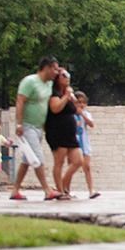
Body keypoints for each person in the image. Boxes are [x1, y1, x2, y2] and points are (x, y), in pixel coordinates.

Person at [10, 57, 62, 201]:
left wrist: (62, 73)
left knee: (27, 160)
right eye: (55, 69)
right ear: (46, 67)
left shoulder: (49, 84)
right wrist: (19, 124)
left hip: (39, 127)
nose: (56, 72)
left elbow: (61, 83)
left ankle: (15, 190)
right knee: (38, 158)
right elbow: (20, 101)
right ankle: (47, 190)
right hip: (27, 126)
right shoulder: (30, 81)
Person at [44, 69, 82, 200]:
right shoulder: (54, 93)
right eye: (64, 76)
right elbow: (55, 108)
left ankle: (64, 185)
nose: (67, 78)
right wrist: (66, 96)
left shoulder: (67, 92)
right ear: (57, 78)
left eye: (68, 75)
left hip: (70, 133)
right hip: (57, 131)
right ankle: (60, 191)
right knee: (59, 162)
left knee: (78, 161)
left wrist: (71, 97)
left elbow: (76, 109)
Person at [72, 91, 99, 199]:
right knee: (72, 167)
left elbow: (91, 124)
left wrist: (82, 114)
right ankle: (66, 189)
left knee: (87, 167)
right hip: (74, 143)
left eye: (83, 102)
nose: (81, 105)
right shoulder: (71, 115)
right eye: (78, 102)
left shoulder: (86, 114)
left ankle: (91, 190)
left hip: (84, 143)